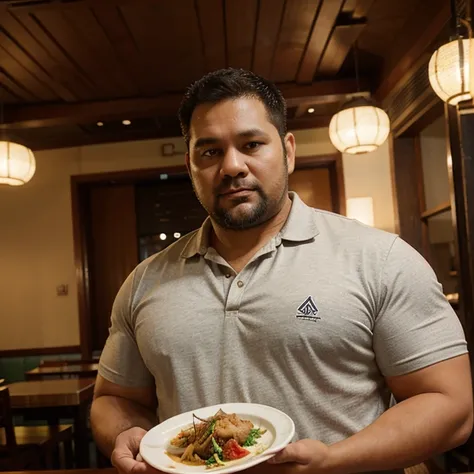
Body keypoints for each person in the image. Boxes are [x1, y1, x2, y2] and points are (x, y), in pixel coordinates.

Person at [91, 68, 473, 474]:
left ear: (288, 150)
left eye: (252, 144)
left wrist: (333, 460)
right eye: (210, 151)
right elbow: (114, 398)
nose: (232, 166)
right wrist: (124, 433)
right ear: (190, 165)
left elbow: (450, 404)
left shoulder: (379, 259)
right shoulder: (145, 281)